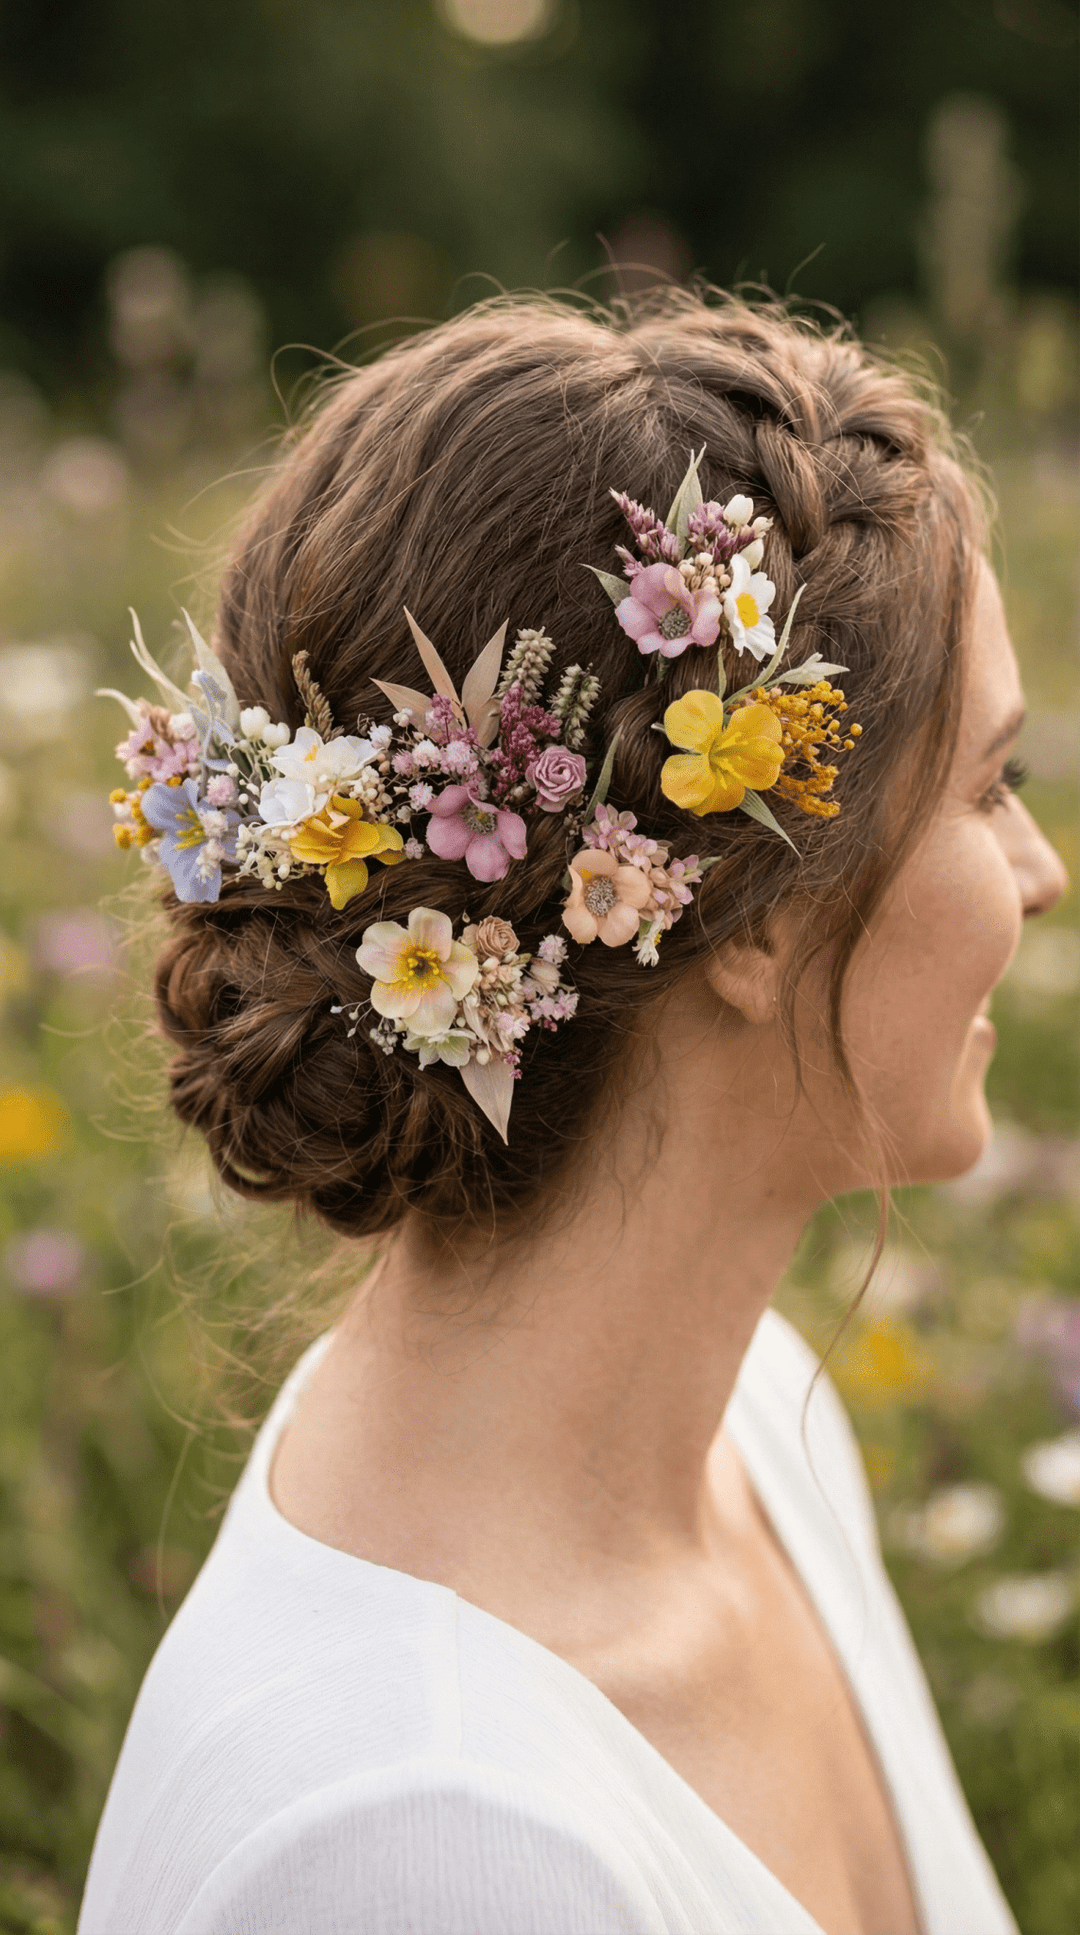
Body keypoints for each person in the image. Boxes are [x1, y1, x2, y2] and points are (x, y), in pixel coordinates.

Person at [78, 291, 1065, 1935]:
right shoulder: (424, 1847)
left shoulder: (753, 1433)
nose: (1039, 873)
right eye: (987, 788)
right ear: (748, 911)